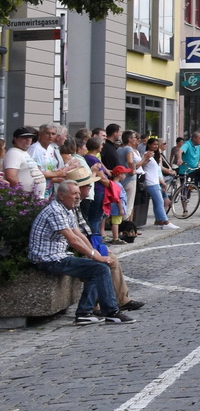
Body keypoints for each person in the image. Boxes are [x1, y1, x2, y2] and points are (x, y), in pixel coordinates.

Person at [29, 178, 132, 324]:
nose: (78, 196)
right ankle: (111, 311)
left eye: (78, 193)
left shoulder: (67, 209)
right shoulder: (55, 211)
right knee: (100, 269)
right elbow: (73, 240)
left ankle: (85, 312)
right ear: (61, 195)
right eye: (74, 194)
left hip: (58, 256)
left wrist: (94, 253)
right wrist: (95, 256)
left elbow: (79, 235)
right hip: (48, 259)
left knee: (97, 269)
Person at [5, 126, 47, 197]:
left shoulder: (23, 152)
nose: (28, 140)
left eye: (30, 137)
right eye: (24, 137)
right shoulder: (14, 153)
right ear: (15, 139)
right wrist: (21, 194)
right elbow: (11, 176)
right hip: (25, 199)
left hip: (35, 198)